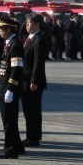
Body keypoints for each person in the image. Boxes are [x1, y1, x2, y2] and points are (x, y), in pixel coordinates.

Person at [0, 17, 25, 159]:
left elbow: (16, 69)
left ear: (8, 29)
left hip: (9, 88)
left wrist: (10, 89)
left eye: (1, 29)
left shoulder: (15, 45)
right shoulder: (8, 44)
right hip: (4, 86)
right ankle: (18, 146)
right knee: (9, 120)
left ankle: (9, 149)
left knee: (9, 121)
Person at [22, 13, 47, 148]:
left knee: (34, 110)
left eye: (29, 23)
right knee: (27, 110)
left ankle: (35, 137)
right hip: (25, 81)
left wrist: (35, 81)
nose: (26, 25)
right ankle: (29, 135)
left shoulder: (39, 40)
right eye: (26, 22)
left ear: (37, 24)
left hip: (33, 82)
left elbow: (38, 63)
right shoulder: (28, 39)